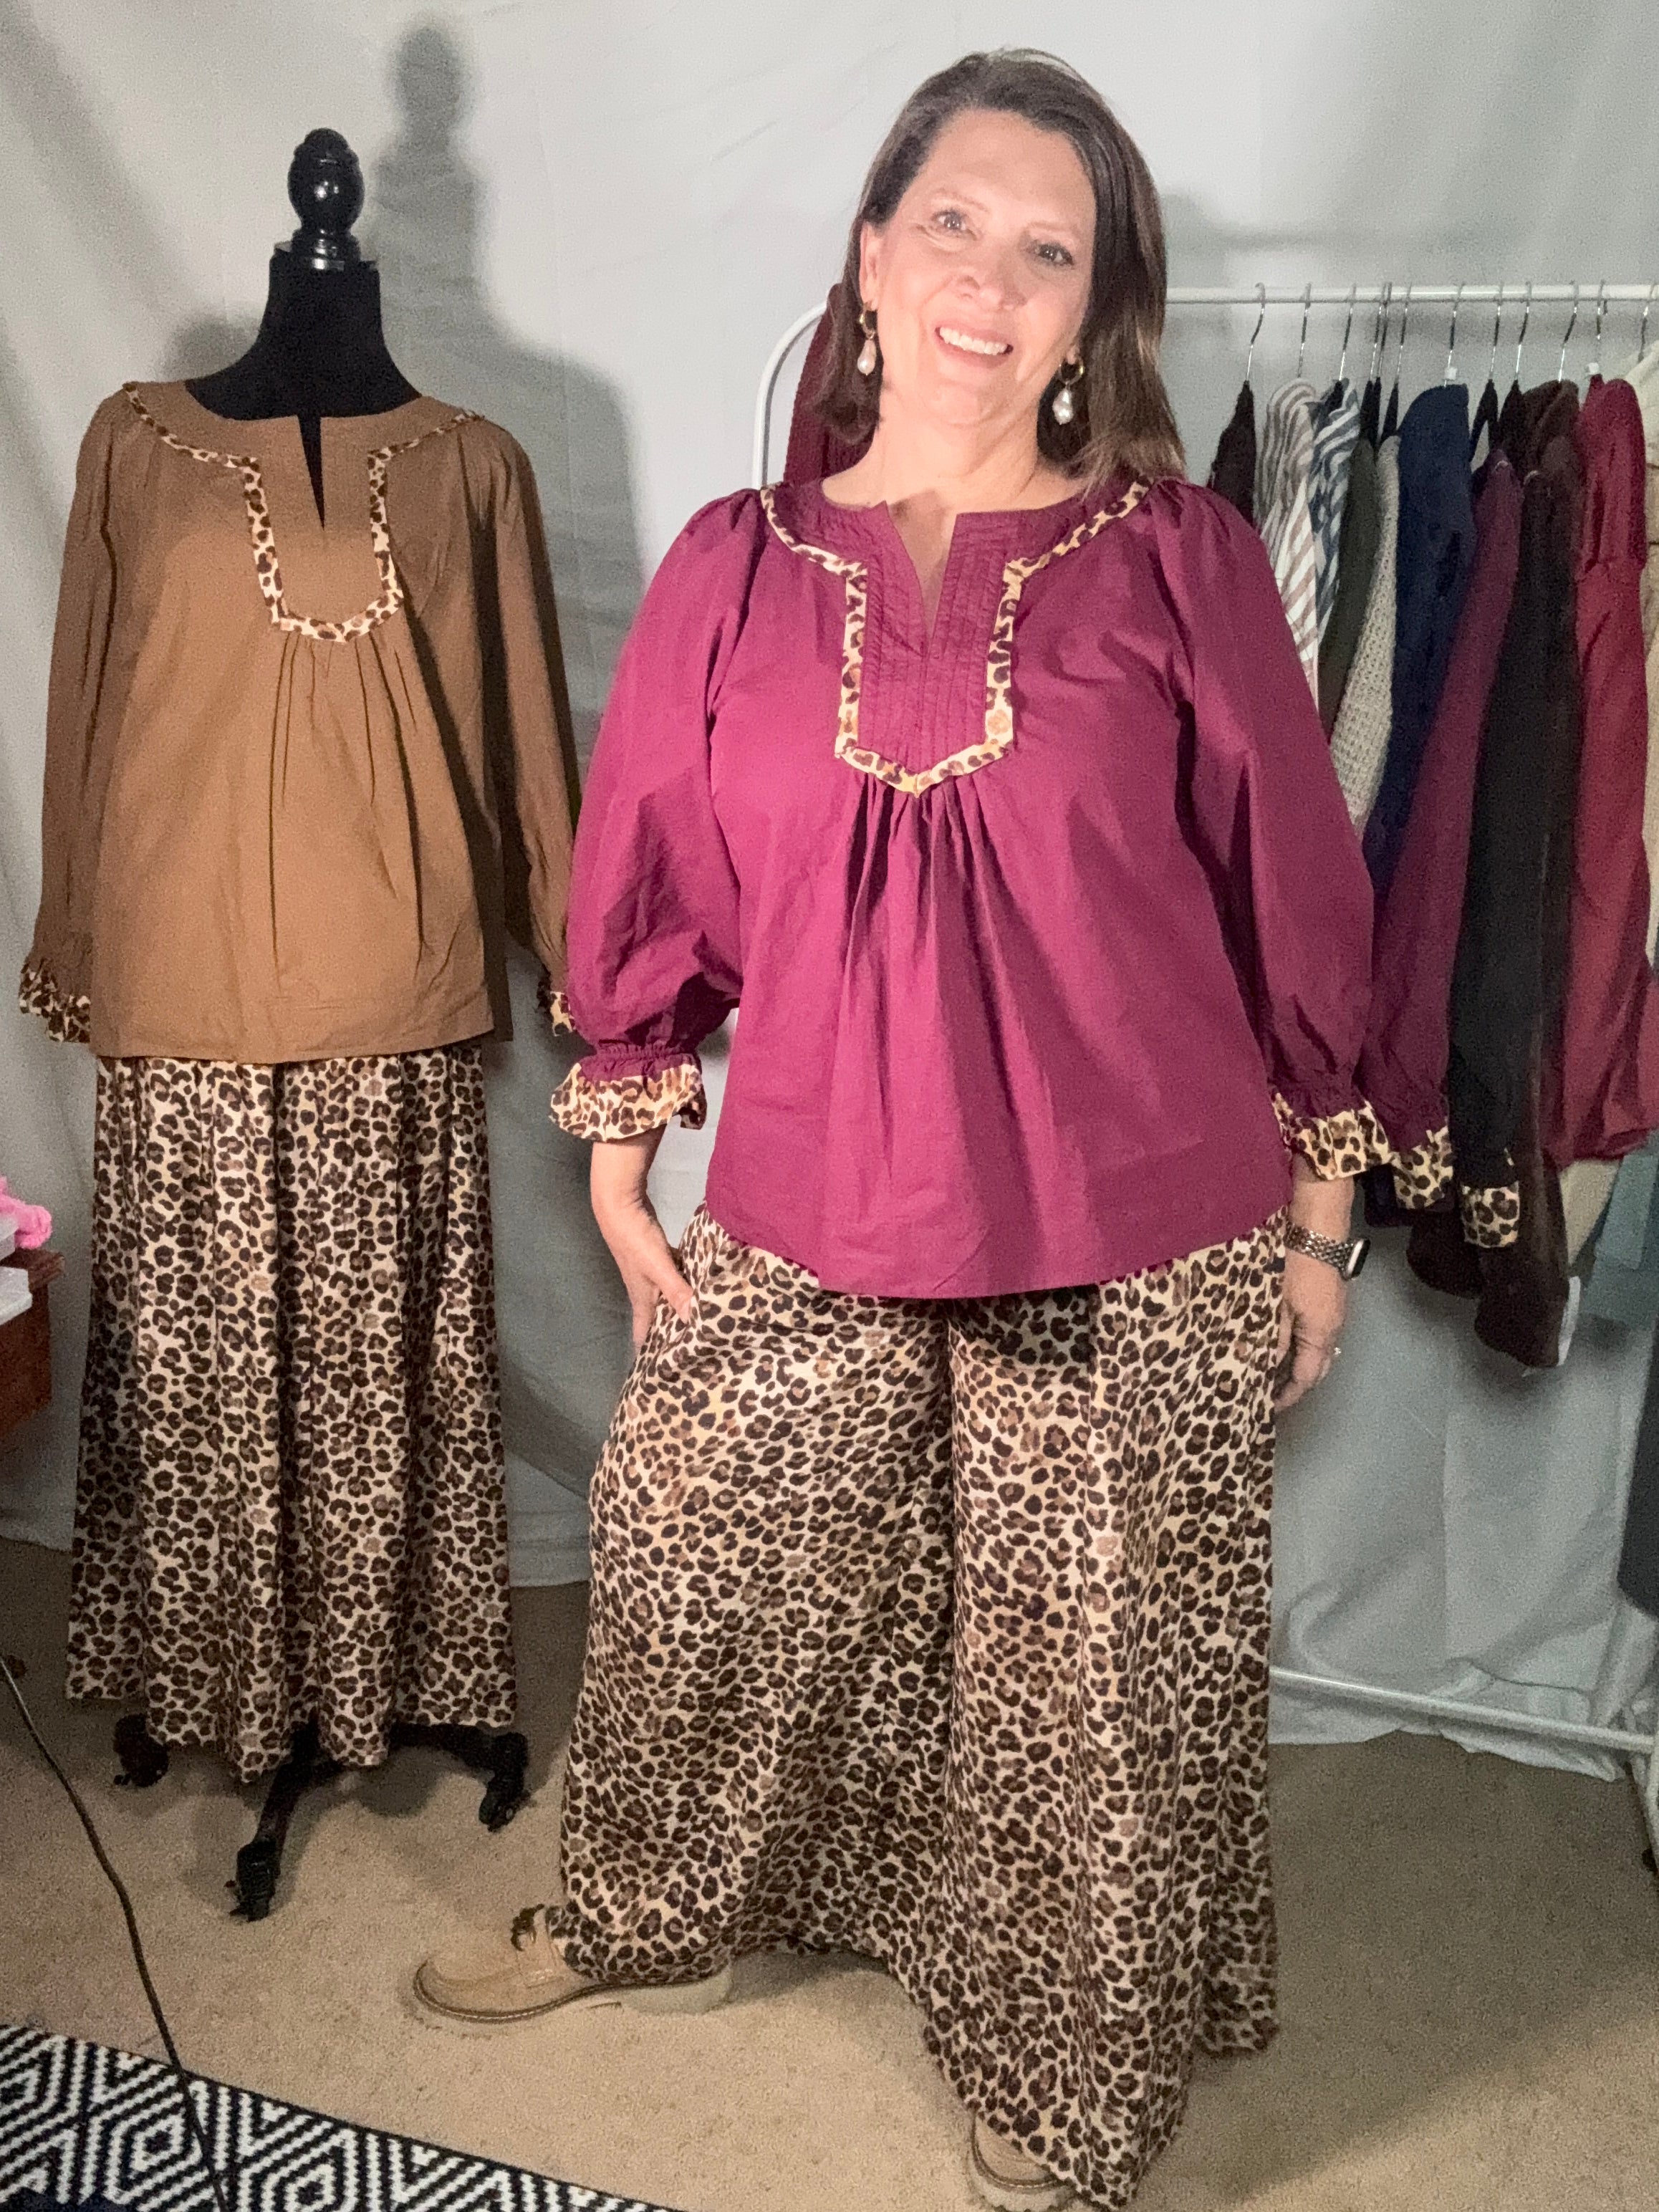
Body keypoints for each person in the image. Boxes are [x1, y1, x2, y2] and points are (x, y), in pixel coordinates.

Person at [414, 48, 1382, 2212]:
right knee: (702, 1564)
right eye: (952, 220)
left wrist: (1320, 1213)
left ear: (1094, 308)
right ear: (868, 253)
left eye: (1049, 248)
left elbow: (1293, 892)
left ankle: (1062, 2083)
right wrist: (620, 1132)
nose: (988, 277)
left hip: (1138, 1218)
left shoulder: (1180, 560)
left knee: (1086, 1674)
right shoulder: (734, 567)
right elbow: (648, 862)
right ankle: (653, 1906)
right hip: (821, 1184)